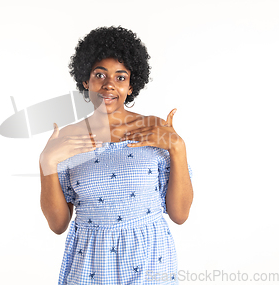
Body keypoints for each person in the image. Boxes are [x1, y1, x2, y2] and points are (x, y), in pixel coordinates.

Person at [39, 26, 193, 284]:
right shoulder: (67, 140)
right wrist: (47, 162)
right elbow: (57, 225)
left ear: (132, 85)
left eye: (120, 77)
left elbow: (180, 215)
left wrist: (178, 147)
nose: (109, 84)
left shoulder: (154, 130)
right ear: (85, 81)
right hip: (91, 264)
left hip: (149, 263)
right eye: (100, 75)